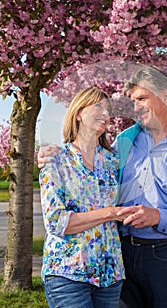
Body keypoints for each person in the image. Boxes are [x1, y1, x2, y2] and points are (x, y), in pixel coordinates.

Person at [38, 66, 167, 308]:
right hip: (119, 257)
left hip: (163, 257)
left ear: (164, 96)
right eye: (133, 101)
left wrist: (159, 217)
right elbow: (81, 163)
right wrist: (49, 154)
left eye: (142, 98)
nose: (135, 108)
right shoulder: (124, 143)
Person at [39, 87, 125, 308]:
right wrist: (111, 213)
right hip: (68, 273)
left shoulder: (113, 162)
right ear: (78, 113)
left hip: (110, 273)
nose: (105, 114)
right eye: (98, 107)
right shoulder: (55, 160)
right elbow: (57, 222)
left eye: (108, 110)